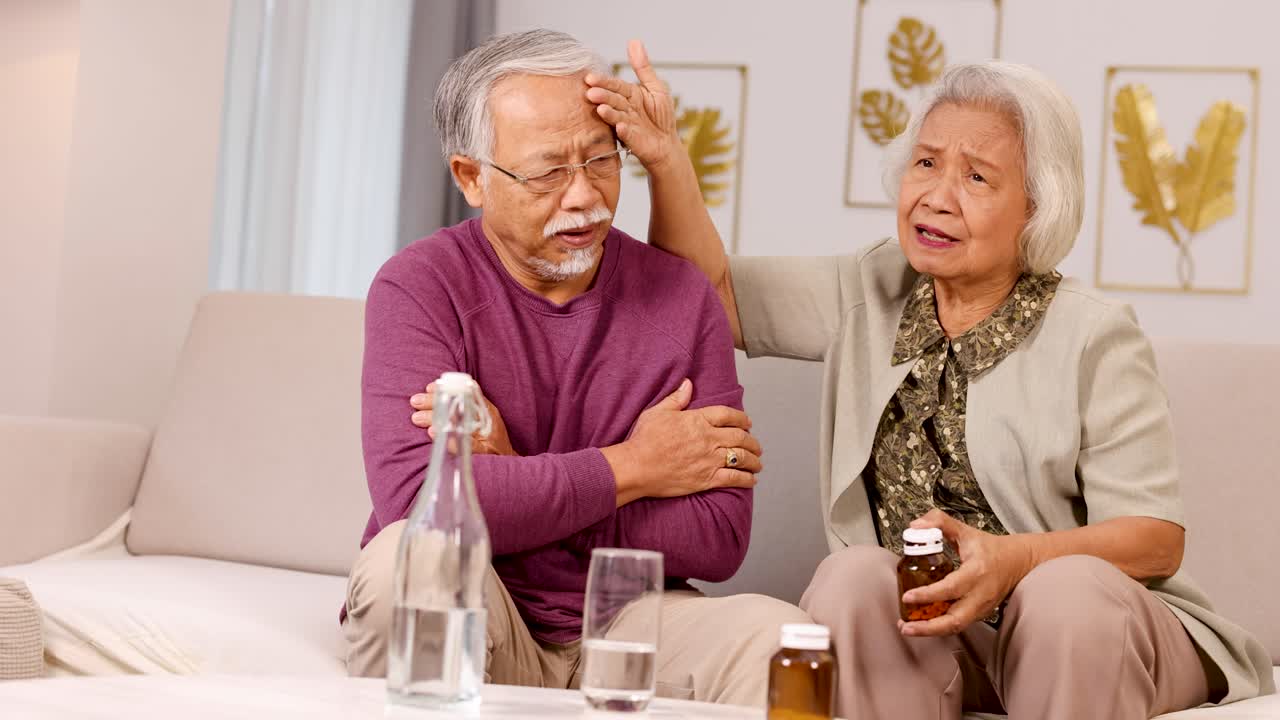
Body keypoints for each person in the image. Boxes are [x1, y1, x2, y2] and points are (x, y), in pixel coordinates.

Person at [585, 43, 1274, 719]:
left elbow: (1155, 539)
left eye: (977, 178)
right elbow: (711, 293)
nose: (938, 197)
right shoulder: (871, 287)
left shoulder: (1095, 333)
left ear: (1037, 207)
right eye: (926, 162)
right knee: (854, 578)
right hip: (952, 638)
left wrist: (1016, 561)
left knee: (1064, 594)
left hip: (1095, 633)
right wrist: (666, 160)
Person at [343, 29, 811, 706]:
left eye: (600, 160)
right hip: (487, 605)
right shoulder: (419, 286)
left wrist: (517, 477)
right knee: (412, 562)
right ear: (472, 178)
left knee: (779, 637)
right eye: (547, 171)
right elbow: (419, 506)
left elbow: (717, 537)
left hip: (631, 620)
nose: (583, 196)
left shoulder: (680, 299)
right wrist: (636, 468)